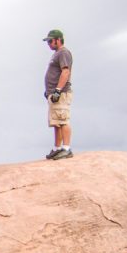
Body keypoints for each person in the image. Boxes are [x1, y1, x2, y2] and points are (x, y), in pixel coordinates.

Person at [43, 29, 73, 160]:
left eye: (50, 41)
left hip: (60, 93)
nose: (49, 44)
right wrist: (49, 91)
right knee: (56, 122)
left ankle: (66, 148)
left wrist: (58, 90)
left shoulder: (64, 53)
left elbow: (65, 72)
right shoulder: (57, 54)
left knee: (63, 120)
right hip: (53, 93)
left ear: (58, 40)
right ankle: (57, 148)